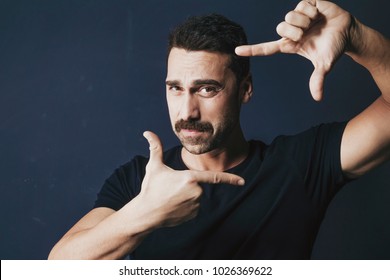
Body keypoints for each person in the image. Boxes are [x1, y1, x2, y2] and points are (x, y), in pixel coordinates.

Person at [48, 0, 390, 259]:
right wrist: (144, 214)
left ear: (245, 89)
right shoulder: (141, 181)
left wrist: (361, 40)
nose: (187, 111)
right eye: (175, 88)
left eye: (206, 88)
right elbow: (57, 268)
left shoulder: (299, 164)